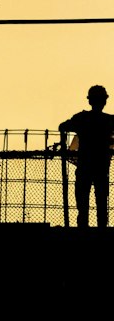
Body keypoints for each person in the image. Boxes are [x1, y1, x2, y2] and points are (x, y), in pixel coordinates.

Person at [59, 85, 114, 227]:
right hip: (101, 167)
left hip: (85, 166)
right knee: (101, 202)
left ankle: (83, 229)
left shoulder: (82, 118)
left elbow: (63, 126)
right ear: (104, 101)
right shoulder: (109, 121)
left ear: (90, 101)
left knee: (82, 203)